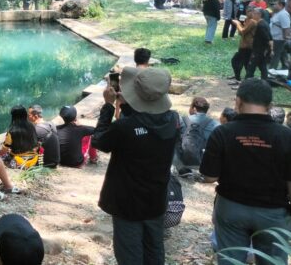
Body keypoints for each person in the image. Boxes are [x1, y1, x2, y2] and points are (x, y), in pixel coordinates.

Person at [92, 67, 180, 265]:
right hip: (156, 199)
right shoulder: (174, 120)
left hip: (127, 203)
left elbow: (99, 141)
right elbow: (147, 123)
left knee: (129, 254)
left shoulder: (125, 127)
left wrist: (108, 106)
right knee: (154, 248)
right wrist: (129, 104)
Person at [200, 79, 291, 265]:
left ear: (238, 101)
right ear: (270, 105)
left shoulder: (222, 132)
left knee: (230, 260)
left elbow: (209, 177)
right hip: (273, 212)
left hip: (231, 207)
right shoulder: (285, 135)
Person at [175, 97, 219, 170]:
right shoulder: (215, 125)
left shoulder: (181, 120)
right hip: (203, 161)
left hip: (182, 160)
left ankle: (181, 169)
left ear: (194, 109)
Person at [228, 6, 257, 86]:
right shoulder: (247, 20)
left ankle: (246, 83)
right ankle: (238, 79)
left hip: (248, 47)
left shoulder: (252, 21)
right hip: (243, 46)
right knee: (237, 61)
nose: (249, 13)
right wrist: (241, 24)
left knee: (244, 64)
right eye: (248, 11)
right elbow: (241, 33)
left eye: (251, 11)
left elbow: (242, 31)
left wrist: (237, 24)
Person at [244, 8, 272, 81]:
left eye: (254, 13)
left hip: (258, 50)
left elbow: (267, 38)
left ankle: (247, 83)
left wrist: (269, 49)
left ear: (259, 15)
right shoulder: (264, 23)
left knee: (251, 67)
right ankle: (265, 81)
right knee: (262, 67)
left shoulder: (261, 25)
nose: (252, 14)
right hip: (261, 50)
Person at [268, 0, 290, 70]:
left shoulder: (283, 14)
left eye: (275, 4)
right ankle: (286, 69)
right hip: (275, 39)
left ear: (280, 5)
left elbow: (286, 28)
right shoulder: (278, 13)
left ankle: (271, 71)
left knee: (275, 56)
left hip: (279, 39)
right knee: (283, 56)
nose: (274, 5)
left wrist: (285, 38)